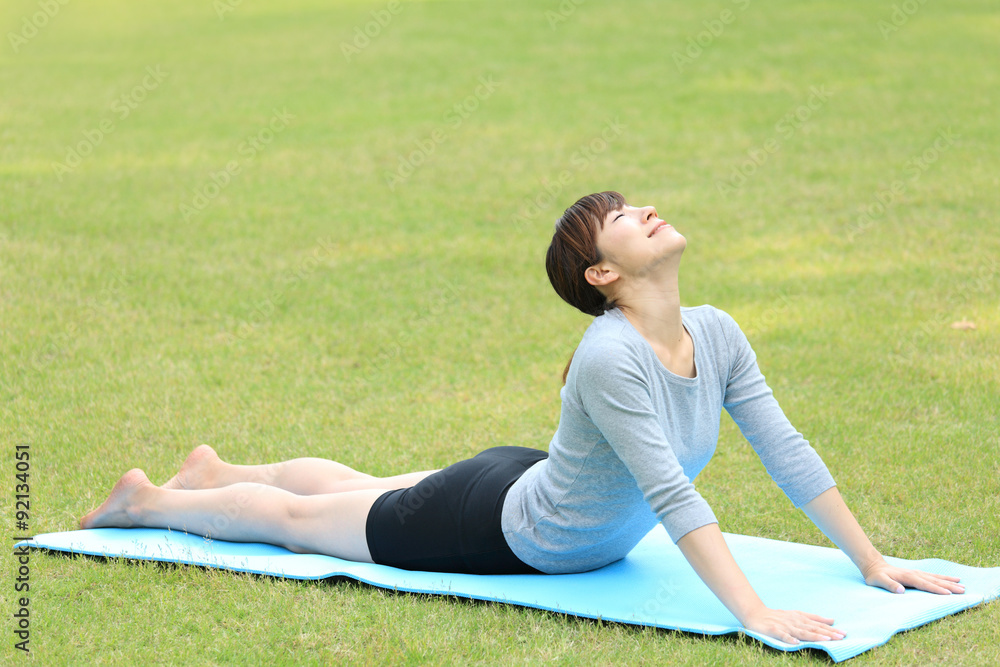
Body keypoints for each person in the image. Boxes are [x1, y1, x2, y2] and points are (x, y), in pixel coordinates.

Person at [81, 191, 963, 645]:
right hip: (501, 527)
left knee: (361, 486)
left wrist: (872, 559)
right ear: (602, 275)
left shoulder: (717, 332)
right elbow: (671, 493)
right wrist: (755, 609)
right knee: (304, 521)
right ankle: (150, 502)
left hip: (528, 480)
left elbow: (784, 446)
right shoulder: (611, 355)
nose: (644, 210)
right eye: (621, 219)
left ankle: (216, 473)